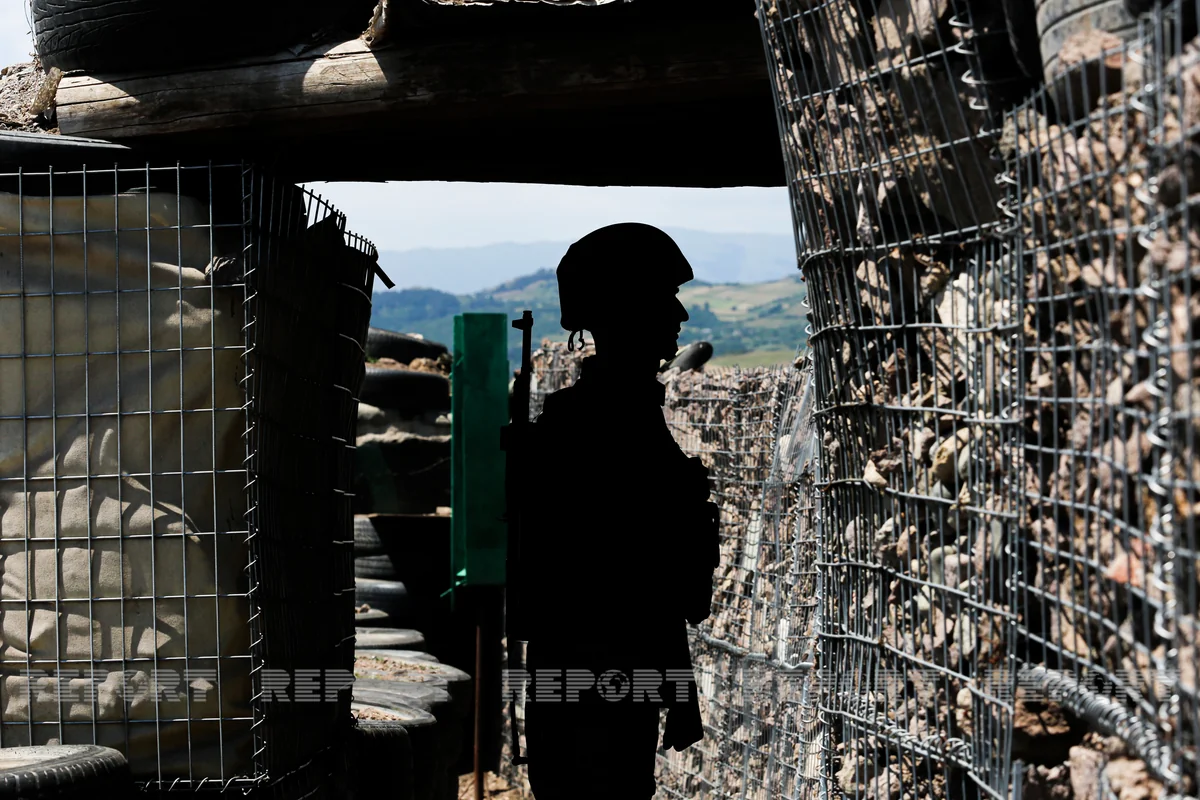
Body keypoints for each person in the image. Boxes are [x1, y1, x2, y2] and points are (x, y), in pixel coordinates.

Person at [519, 223, 720, 800]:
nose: (679, 315)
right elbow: (638, 577)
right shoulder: (614, 425)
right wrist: (678, 689)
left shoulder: (598, 417)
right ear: (623, 309)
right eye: (663, 297)